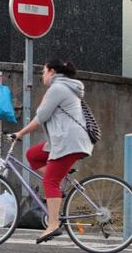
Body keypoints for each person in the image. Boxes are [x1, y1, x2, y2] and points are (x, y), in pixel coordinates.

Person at [13, 59, 93, 244]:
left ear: (52, 71)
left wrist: (20, 133)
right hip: (64, 142)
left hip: (69, 142)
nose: (42, 75)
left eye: (43, 71)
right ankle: (59, 182)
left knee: (50, 180)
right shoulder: (64, 88)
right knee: (33, 155)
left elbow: (41, 117)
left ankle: (53, 224)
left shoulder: (58, 89)